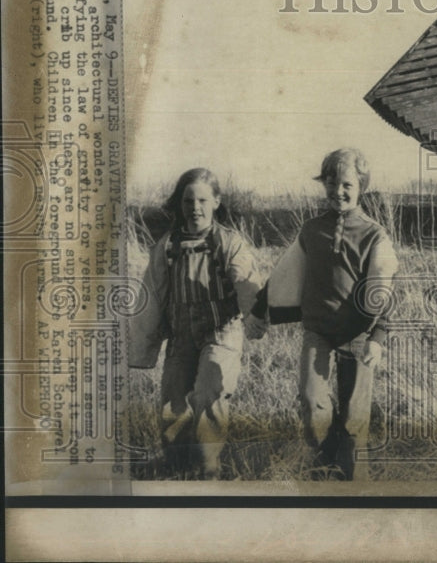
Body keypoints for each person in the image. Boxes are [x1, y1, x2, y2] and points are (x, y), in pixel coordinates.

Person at [245, 148, 397, 480]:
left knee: (354, 417)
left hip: (358, 334)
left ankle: (351, 485)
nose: (337, 191)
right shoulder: (311, 230)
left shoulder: (374, 235)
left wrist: (378, 338)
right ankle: (325, 461)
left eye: (346, 184)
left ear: (361, 187)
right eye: (330, 182)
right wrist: (259, 313)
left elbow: (385, 288)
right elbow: (285, 274)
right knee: (313, 406)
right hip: (318, 331)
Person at [128, 168, 261, 478]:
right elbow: (153, 296)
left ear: (216, 201)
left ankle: (207, 466)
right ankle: (175, 465)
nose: (195, 208)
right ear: (180, 204)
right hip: (181, 335)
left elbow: (246, 283)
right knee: (172, 401)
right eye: (188, 200)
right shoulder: (167, 246)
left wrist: (254, 317)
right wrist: (142, 346)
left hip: (222, 332)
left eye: (202, 200)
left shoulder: (228, 243)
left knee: (208, 392)